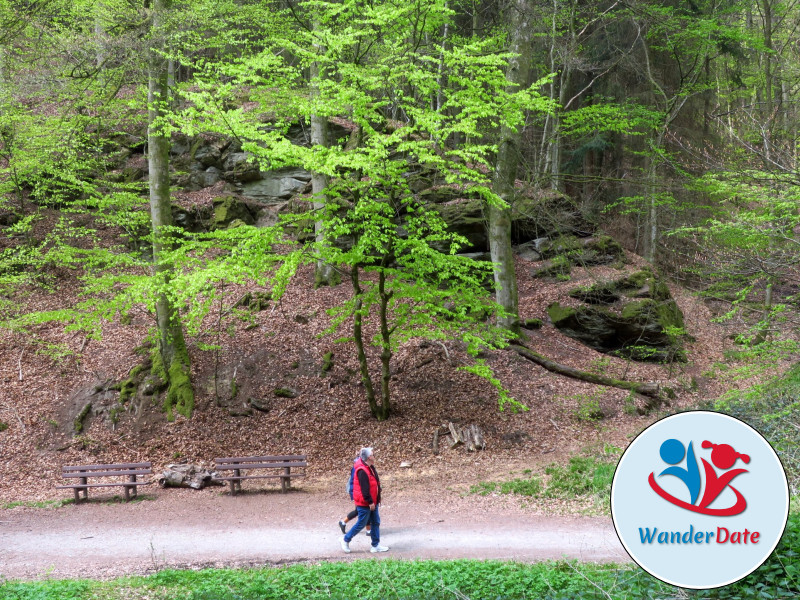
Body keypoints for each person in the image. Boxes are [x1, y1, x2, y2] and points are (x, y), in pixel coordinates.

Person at [341, 447, 388, 553]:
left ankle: (375, 545)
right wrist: (370, 502)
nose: (374, 456)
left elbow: (375, 483)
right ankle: (345, 540)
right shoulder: (362, 470)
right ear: (368, 457)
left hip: (373, 501)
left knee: (375, 522)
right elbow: (364, 489)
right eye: (373, 454)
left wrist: (376, 497)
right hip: (365, 502)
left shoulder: (371, 467)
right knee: (361, 523)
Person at [338, 452, 371, 537]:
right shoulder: (357, 467)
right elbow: (353, 481)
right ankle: (368, 530)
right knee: (366, 510)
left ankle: (343, 522)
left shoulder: (361, 465)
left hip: (358, 493)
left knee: (360, 511)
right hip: (358, 493)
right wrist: (353, 494)